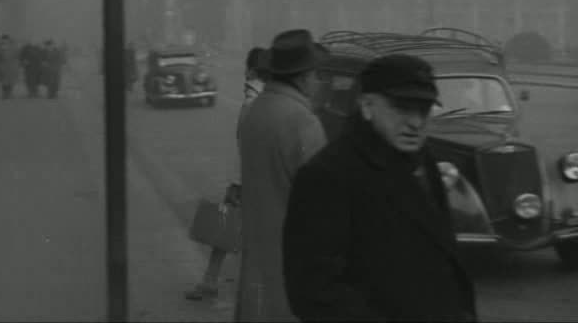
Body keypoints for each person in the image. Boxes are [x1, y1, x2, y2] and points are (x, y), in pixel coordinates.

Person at [282, 54, 477, 322]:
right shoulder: (326, 176)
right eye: (402, 108)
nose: (416, 122)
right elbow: (313, 290)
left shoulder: (423, 159)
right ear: (367, 106)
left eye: (423, 109)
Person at [234, 29, 328, 322]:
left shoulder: (255, 110)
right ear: (301, 78)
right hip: (292, 266)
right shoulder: (302, 123)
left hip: (257, 259)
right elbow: (321, 202)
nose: (318, 82)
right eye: (315, 75)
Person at [185, 46, 270, 303]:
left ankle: (212, 282)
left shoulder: (251, 101)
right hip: (260, 178)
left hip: (246, 180)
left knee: (225, 233)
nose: (244, 74)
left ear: (253, 70)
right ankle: (213, 281)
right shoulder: (268, 98)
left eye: (247, 68)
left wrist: (235, 183)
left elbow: (244, 145)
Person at [0, 34, 21, 99]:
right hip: (2, 66)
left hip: (11, 67)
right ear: (2, 40)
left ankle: (9, 93)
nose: (5, 41)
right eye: (4, 40)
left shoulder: (13, 46)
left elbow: (17, 55)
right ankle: (5, 93)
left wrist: (17, 64)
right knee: (3, 81)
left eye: (6, 40)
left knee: (10, 81)